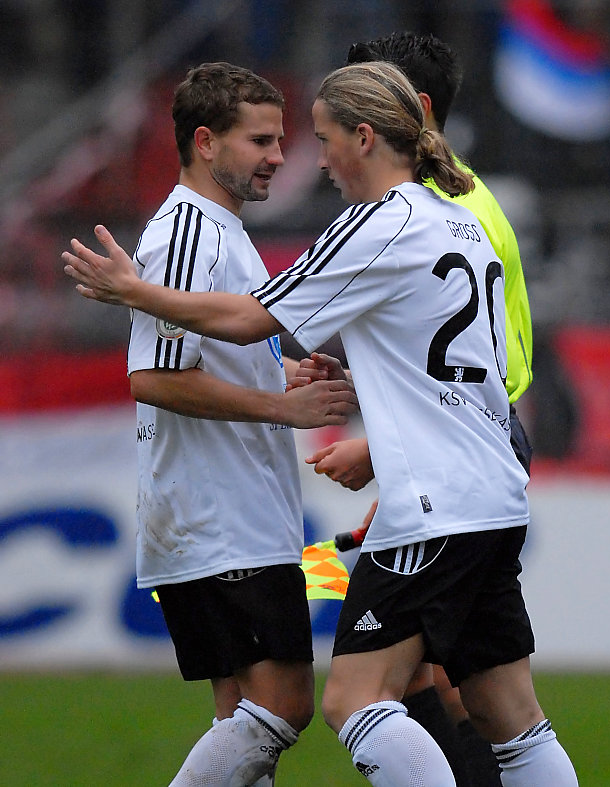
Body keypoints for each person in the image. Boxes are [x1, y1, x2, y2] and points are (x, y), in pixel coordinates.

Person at [63, 60, 578, 787]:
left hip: (431, 503)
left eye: (321, 138)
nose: (309, 159)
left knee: (351, 700)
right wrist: (347, 418)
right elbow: (460, 373)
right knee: (511, 717)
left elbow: (251, 319)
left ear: (363, 137)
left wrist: (132, 290)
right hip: (493, 493)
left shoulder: (375, 222)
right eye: (269, 140)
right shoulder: (462, 221)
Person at [94, 61, 358, 787]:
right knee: (284, 705)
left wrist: (279, 374)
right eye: (260, 141)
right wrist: (281, 407)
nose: (279, 156)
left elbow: (203, 357)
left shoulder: (224, 232)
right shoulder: (187, 233)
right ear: (205, 142)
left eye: (279, 140)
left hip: (232, 508)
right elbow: (153, 378)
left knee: (241, 718)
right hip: (217, 511)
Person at [298, 30, 536, 786]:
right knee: (479, 695)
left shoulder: (417, 209)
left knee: (388, 690)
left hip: (457, 456)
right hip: (478, 450)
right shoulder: (466, 201)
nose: (330, 147)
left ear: (408, 109)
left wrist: (384, 452)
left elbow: (468, 370)